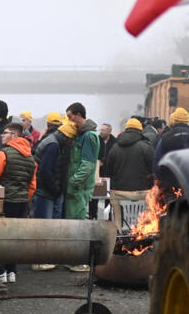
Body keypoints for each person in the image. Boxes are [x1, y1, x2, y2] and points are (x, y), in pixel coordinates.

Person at [0, 123, 36, 284]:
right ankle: (12, 271)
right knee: (14, 236)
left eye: (5, 133)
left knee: (0, 235)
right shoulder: (30, 157)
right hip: (22, 202)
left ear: (14, 136)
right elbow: (33, 185)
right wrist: (23, 196)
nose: (2, 135)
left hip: (5, 200)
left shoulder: (3, 154)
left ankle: (0, 270)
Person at [30, 120, 75, 271]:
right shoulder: (53, 145)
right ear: (67, 137)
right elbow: (45, 171)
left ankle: (47, 258)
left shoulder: (54, 141)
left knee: (48, 226)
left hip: (50, 190)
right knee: (43, 227)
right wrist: (55, 190)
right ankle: (38, 261)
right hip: (45, 192)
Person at [63, 103, 101, 271]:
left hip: (79, 188)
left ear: (79, 115)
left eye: (71, 117)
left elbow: (87, 164)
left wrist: (73, 181)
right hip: (75, 188)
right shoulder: (80, 135)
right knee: (72, 224)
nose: (70, 121)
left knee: (77, 225)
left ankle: (77, 261)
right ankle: (72, 259)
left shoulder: (89, 136)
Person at [104, 118, 155, 232]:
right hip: (143, 194)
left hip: (119, 194)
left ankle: (119, 231)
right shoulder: (146, 147)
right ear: (140, 131)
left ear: (125, 130)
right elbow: (153, 169)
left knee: (114, 201)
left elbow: (109, 171)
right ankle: (144, 232)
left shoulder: (115, 148)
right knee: (152, 199)